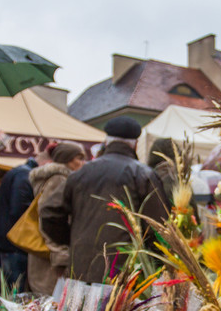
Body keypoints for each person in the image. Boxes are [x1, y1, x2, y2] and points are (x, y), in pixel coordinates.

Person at [44, 116, 168, 283]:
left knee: (82, 310)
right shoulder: (143, 174)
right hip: (124, 273)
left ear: (106, 141)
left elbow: (49, 212)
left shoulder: (80, 173)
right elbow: (158, 228)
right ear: (136, 144)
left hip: (81, 270)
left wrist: (73, 240)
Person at [28, 142, 86, 295]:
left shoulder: (51, 177)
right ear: (66, 159)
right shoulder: (59, 179)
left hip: (45, 251)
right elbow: (47, 215)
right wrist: (61, 255)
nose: (82, 163)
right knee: (51, 302)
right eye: (78, 158)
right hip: (51, 256)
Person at [0, 151, 47, 294]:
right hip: (12, 246)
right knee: (13, 294)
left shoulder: (19, 172)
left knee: (6, 293)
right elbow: (18, 211)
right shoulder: (24, 175)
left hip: (6, 244)